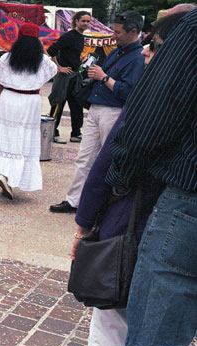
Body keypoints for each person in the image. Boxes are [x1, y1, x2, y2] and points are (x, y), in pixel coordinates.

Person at [69, 12, 188, 346]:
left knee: (114, 314)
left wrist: (84, 224)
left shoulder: (155, 99)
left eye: (157, 45)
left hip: (133, 222)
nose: (148, 50)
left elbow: (111, 164)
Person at [105, 8, 197, 346]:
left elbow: (154, 117)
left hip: (189, 201)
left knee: (155, 345)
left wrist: (122, 177)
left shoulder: (192, 28)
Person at [49, 11, 146, 213]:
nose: (114, 35)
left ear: (133, 31)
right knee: (84, 158)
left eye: (118, 32)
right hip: (96, 107)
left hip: (113, 111)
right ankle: (75, 200)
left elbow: (129, 91)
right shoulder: (117, 51)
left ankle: (102, 205)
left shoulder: (137, 58)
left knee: (107, 160)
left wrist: (103, 77)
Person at [0, 23, 58, 200]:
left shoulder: (7, 58)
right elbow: (55, 70)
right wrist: (42, 49)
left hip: (8, 99)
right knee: (24, 139)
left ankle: (4, 174)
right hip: (30, 101)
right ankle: (11, 178)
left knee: (6, 137)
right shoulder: (42, 61)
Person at [47, 11, 91, 144]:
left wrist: (79, 60)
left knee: (77, 105)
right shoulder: (69, 36)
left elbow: (70, 52)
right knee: (58, 104)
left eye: (88, 21)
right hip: (64, 77)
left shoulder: (80, 36)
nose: (86, 23)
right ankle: (52, 133)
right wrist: (59, 67)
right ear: (76, 21)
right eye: (83, 21)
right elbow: (52, 50)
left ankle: (76, 133)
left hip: (75, 77)